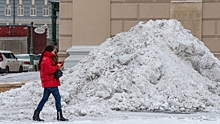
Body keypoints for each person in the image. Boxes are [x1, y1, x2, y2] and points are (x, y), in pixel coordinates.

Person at [32, 45, 68, 121]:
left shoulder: (46, 59)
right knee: (57, 98)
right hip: (51, 82)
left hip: (48, 82)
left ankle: (36, 114)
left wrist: (57, 64)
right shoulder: (47, 59)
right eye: (54, 51)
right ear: (50, 51)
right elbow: (50, 70)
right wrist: (57, 66)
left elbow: (49, 68)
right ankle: (59, 115)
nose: (55, 53)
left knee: (44, 99)